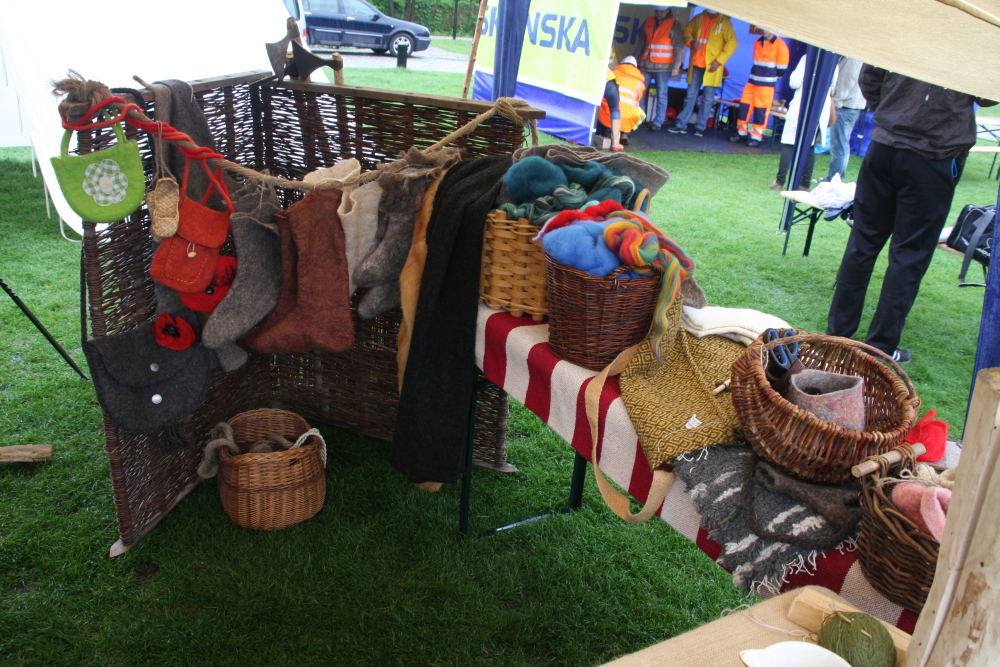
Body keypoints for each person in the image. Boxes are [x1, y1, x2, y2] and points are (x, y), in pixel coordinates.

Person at [826, 66, 997, 363]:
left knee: (864, 243)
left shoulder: (912, 36)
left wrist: (897, 109)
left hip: (892, 144)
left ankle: (840, 335)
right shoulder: (967, 45)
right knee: (907, 255)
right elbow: (988, 92)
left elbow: (871, 75)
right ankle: (878, 346)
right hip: (928, 152)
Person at [667, 9, 737, 138]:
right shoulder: (699, 18)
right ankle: (681, 125)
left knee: (708, 98)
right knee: (690, 95)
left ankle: (700, 127)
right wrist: (691, 41)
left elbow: (732, 44)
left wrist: (718, 61)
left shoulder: (725, 23)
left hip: (712, 67)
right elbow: (686, 30)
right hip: (697, 64)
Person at [769, 56, 834, 190]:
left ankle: (780, 182)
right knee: (810, 146)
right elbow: (832, 88)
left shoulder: (808, 57)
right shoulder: (833, 61)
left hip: (801, 106)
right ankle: (804, 184)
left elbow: (794, 83)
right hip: (820, 108)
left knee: (789, 143)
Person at [729, 29, 788, 147]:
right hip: (752, 81)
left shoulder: (780, 46)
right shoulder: (757, 42)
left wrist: (770, 78)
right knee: (744, 106)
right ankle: (741, 132)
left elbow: (782, 69)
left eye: (767, 29)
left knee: (761, 110)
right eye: (763, 28)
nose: (764, 31)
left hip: (766, 85)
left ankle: (756, 136)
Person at [633, 6, 684, 132]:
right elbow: (641, 42)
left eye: (661, 11)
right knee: (639, 92)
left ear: (667, 11)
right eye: (657, 11)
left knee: (661, 95)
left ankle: (658, 122)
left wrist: (676, 67)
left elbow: (679, 47)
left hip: (663, 67)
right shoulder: (649, 20)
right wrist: (635, 60)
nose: (658, 13)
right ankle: (636, 119)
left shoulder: (674, 24)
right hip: (646, 64)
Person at [826, 57, 866, 181]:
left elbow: (847, 79)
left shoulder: (851, 58)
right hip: (853, 104)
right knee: (842, 143)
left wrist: (837, 102)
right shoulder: (858, 57)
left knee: (839, 145)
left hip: (845, 105)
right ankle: (836, 177)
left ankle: (834, 179)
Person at [597, 56, 647, 151]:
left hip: (608, 115)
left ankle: (608, 132)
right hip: (626, 117)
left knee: (603, 104)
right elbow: (637, 100)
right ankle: (625, 133)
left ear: (621, 64)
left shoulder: (612, 73)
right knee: (642, 114)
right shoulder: (640, 82)